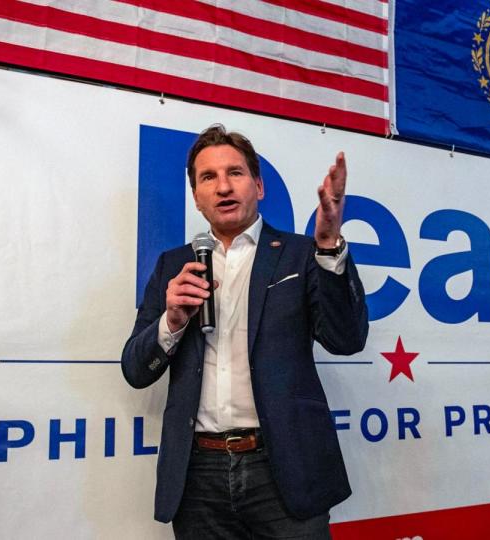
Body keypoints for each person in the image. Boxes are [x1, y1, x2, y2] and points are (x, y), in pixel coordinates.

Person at [121, 124, 369, 539]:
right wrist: (172, 322)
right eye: (208, 178)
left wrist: (327, 245)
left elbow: (346, 339)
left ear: (258, 185)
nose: (223, 187)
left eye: (234, 173)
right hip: (199, 476)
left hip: (283, 468)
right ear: (197, 199)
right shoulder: (173, 266)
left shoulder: (301, 254)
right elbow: (135, 368)